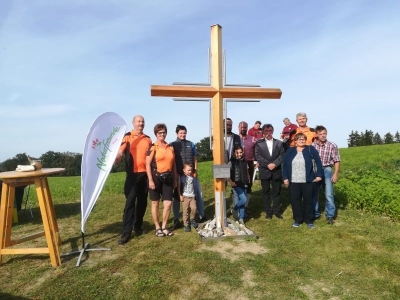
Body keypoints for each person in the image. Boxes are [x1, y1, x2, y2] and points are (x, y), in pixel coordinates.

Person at [115, 115, 152, 245]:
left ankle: (137, 226)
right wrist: (116, 159)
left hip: (145, 175)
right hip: (132, 175)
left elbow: (150, 156)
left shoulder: (148, 139)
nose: (141, 123)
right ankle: (126, 232)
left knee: (142, 202)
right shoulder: (127, 136)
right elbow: (120, 152)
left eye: (142, 121)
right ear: (133, 123)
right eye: (138, 121)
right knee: (130, 201)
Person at [283, 133, 323, 228]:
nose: (301, 141)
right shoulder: (290, 151)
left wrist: (319, 175)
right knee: (295, 201)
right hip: (294, 181)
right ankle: (298, 220)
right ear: (295, 141)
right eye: (299, 139)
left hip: (308, 180)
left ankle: (309, 220)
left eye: (303, 139)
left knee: (308, 200)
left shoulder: (310, 149)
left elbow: (318, 162)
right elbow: (284, 165)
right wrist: (285, 177)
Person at [170, 125, 207, 230]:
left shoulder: (191, 144)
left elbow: (195, 158)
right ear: (177, 133)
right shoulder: (172, 145)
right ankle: (176, 219)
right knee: (177, 197)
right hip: (179, 175)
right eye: (181, 133)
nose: (183, 135)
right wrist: (175, 174)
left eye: (184, 133)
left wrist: (195, 171)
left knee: (198, 194)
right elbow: (171, 161)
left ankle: (201, 215)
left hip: (191, 174)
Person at [146, 123, 178, 237]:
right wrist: (150, 180)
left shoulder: (170, 147)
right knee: (155, 203)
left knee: (168, 203)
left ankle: (164, 226)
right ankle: (157, 227)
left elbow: (173, 164)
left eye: (164, 132)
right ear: (156, 134)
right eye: (160, 132)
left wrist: (175, 178)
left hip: (168, 177)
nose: (162, 134)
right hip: (155, 177)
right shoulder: (152, 147)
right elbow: (148, 164)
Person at [311, 125, 341, 224]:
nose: (323, 135)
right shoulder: (312, 146)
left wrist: (336, 174)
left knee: (329, 193)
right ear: (316, 135)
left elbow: (337, 160)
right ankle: (315, 213)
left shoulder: (332, 145)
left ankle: (330, 215)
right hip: (315, 170)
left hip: (327, 169)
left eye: (324, 133)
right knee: (314, 193)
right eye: (320, 134)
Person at [255, 124, 285, 219]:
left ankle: (276, 211)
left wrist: (275, 164)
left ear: (272, 131)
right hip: (264, 170)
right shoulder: (259, 143)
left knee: (276, 192)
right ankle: (268, 212)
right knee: (266, 192)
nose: (268, 133)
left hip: (276, 170)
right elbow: (258, 156)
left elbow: (282, 155)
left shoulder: (279, 143)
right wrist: (268, 164)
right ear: (263, 132)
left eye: (270, 131)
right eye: (266, 131)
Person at [228, 145, 250, 225]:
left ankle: (241, 219)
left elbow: (247, 172)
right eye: (237, 153)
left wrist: (248, 180)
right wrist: (231, 182)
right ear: (234, 153)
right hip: (236, 184)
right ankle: (234, 209)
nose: (239, 154)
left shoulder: (245, 161)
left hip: (244, 183)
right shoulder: (231, 162)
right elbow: (226, 174)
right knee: (243, 199)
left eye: (240, 152)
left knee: (242, 202)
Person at [177, 162, 199, 232]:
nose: (189, 172)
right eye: (188, 170)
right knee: (185, 211)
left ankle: (192, 219)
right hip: (185, 196)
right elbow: (179, 187)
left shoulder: (193, 178)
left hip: (192, 196)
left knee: (194, 208)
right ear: (184, 170)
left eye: (191, 170)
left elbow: (195, 186)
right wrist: (180, 195)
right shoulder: (181, 177)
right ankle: (186, 224)